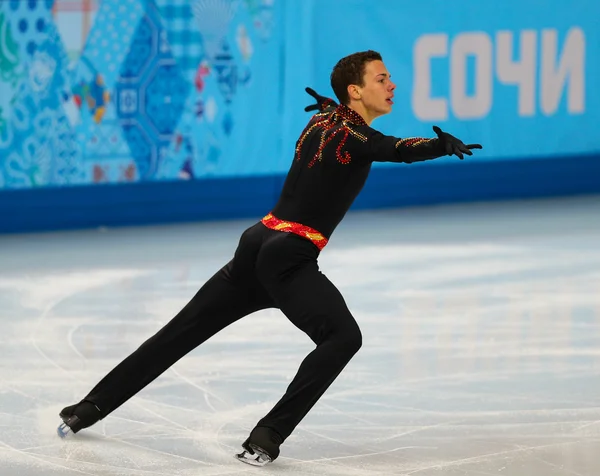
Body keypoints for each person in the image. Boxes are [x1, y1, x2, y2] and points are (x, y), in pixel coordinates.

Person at [56, 50, 482, 466]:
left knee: (181, 331)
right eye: (381, 79)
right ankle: (266, 437)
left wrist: (333, 104)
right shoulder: (355, 135)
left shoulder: (323, 119)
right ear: (355, 91)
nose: (392, 85)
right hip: (289, 258)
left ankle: (87, 408)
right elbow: (396, 148)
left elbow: (363, 132)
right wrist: (438, 145)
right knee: (343, 338)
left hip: (257, 241)